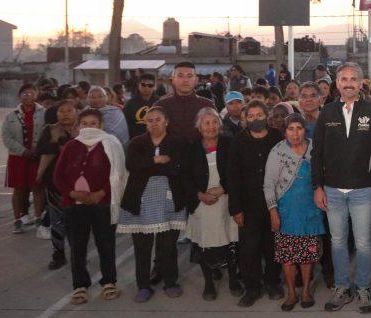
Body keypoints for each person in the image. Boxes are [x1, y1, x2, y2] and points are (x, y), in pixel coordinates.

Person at [312, 62, 371, 314]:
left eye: (354, 78)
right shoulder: (327, 112)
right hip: (332, 190)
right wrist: (317, 186)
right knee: (338, 242)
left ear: (361, 82)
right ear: (337, 83)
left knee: (363, 243)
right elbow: (317, 152)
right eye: (344, 79)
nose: (349, 83)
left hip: (363, 189)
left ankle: (363, 287)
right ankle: (341, 286)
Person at [52, 108, 127, 304]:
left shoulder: (111, 144)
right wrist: (72, 193)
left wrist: (101, 194)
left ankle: (109, 282)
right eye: (84, 123)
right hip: (74, 207)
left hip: (102, 205)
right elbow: (58, 176)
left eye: (93, 123)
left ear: (101, 125)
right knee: (77, 247)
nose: (88, 127)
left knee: (106, 245)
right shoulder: (71, 146)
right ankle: (80, 285)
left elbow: (118, 174)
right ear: (78, 126)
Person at [118, 107, 188, 302]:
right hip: (139, 200)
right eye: (150, 120)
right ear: (145, 123)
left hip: (169, 199)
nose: (154, 123)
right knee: (142, 247)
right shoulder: (137, 142)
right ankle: (143, 285)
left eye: (158, 119)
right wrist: (156, 160)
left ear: (166, 122)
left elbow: (177, 167)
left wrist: (148, 166)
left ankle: (170, 282)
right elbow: (132, 165)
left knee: (168, 246)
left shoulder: (177, 142)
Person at [263, 114, 324, 311]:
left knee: (307, 254)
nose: (295, 133)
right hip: (286, 210)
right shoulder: (278, 151)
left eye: (299, 128)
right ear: (285, 131)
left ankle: (305, 290)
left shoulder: (315, 148)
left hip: (310, 209)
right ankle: (291, 293)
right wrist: (273, 212)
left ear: (305, 130)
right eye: (291, 129)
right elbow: (269, 184)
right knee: (287, 255)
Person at [227, 100, 285, 307]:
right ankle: (252, 288)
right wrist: (236, 208)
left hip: (275, 204)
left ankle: (272, 283)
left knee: (273, 246)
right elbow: (233, 177)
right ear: (246, 119)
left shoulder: (278, 138)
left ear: (266, 116)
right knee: (249, 248)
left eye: (259, 114)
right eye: (250, 116)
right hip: (248, 204)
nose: (255, 119)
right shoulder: (238, 141)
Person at [185, 108, 240, 300]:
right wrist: (199, 194)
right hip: (202, 204)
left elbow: (237, 172)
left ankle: (233, 278)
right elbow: (185, 177)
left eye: (214, 122)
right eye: (206, 123)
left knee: (231, 242)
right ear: (199, 127)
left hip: (226, 201)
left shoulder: (230, 144)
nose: (211, 127)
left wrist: (223, 189)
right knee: (204, 245)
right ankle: (208, 282)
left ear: (220, 124)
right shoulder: (191, 148)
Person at [35, 100, 79, 269]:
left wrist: (59, 144)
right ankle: (58, 254)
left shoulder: (82, 128)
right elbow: (41, 150)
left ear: (76, 112)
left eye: (69, 110)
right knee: (57, 221)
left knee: (77, 222)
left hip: (78, 185)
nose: (65, 114)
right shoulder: (49, 129)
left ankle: (78, 254)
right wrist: (58, 144)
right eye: (61, 111)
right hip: (54, 184)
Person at [3, 84, 47, 235]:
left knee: (38, 187)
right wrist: (23, 151)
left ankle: (38, 218)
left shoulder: (44, 113)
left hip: (37, 156)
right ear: (19, 96)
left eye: (31, 93)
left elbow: (47, 133)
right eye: (24, 94)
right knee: (19, 189)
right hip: (18, 158)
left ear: (36, 95)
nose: (28, 96)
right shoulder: (11, 115)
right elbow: (6, 137)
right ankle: (17, 220)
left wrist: (38, 149)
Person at [155, 62, 214, 145]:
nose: (185, 80)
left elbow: (216, 135)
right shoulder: (160, 106)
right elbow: (152, 135)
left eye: (189, 76)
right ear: (173, 80)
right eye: (180, 76)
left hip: (200, 155)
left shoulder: (207, 105)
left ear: (196, 80)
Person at [124, 74, 159, 139]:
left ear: (154, 86)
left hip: (156, 138)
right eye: (143, 85)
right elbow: (126, 124)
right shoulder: (130, 103)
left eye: (150, 85)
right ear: (138, 85)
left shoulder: (159, 102)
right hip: (136, 139)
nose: (146, 88)